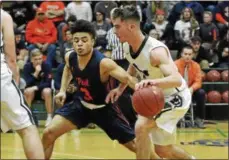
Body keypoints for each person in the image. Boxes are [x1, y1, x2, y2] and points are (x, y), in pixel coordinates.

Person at [108, 6, 195, 159]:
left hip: (176, 96)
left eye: (117, 26)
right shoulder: (127, 46)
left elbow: (175, 79)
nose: (114, 31)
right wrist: (120, 89)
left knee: (141, 127)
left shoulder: (155, 51)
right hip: (158, 96)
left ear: (131, 26)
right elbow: (133, 66)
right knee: (163, 151)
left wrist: (150, 83)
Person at [42, 20, 137, 159]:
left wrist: (146, 91)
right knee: (48, 133)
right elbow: (68, 69)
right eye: (76, 40)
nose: (79, 44)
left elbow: (128, 79)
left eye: (84, 40)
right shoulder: (70, 56)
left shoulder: (104, 63)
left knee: (137, 146)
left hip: (105, 110)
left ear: (92, 42)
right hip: (81, 106)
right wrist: (62, 90)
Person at [0, 8, 44, 159]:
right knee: (27, 129)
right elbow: (11, 58)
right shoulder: (4, 17)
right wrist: (15, 82)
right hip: (1, 80)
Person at [175, 46, 206, 129]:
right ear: (181, 54)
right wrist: (180, 89)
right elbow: (173, 80)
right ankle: (174, 119)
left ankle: (199, 119)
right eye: (185, 54)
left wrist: (192, 89)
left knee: (201, 93)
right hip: (177, 90)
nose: (187, 56)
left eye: (189, 54)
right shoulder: (175, 65)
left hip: (190, 90)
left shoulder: (196, 66)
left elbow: (198, 81)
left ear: (192, 55)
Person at [23, 49, 53, 127]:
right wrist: (36, 73)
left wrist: (36, 87)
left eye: (40, 59)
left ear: (42, 58)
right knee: (28, 92)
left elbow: (48, 83)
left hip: (42, 91)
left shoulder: (47, 66)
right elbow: (28, 83)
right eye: (36, 59)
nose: (38, 61)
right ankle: (29, 117)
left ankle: (49, 117)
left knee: (47, 91)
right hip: (31, 92)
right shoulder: (27, 67)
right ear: (32, 59)